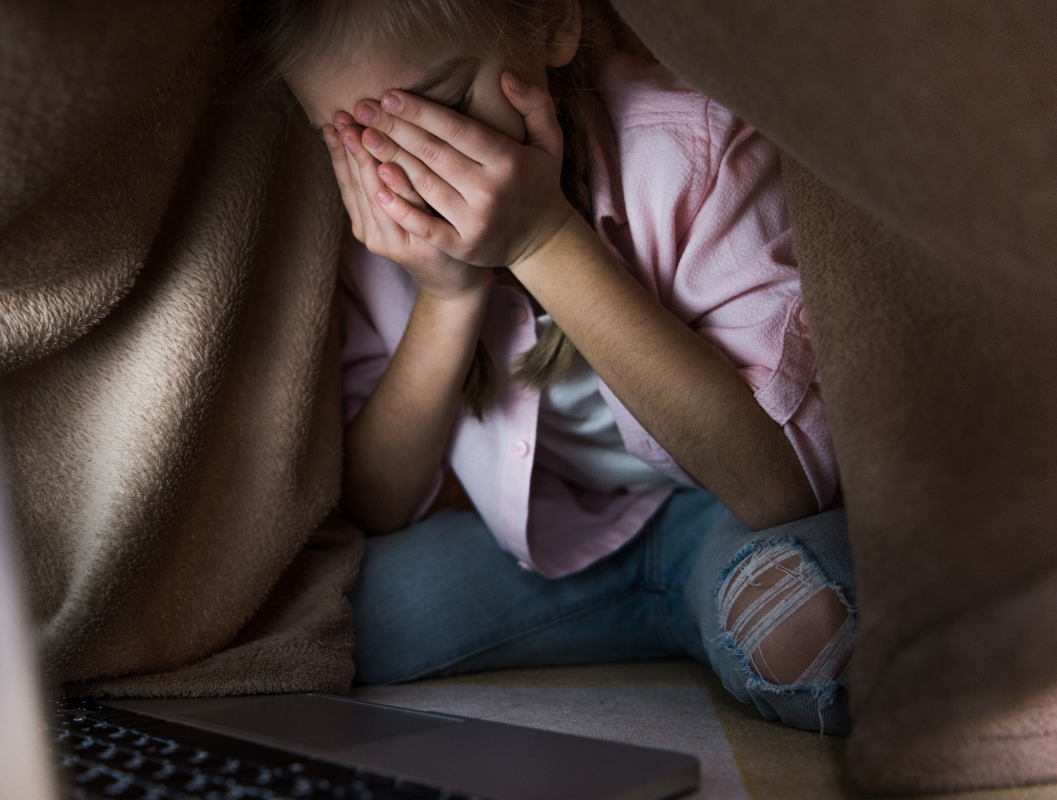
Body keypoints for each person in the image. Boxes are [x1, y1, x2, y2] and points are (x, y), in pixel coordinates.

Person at [243, 0, 856, 734]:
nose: (406, 175)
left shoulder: (695, 146)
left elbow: (786, 486)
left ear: (551, 23)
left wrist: (540, 239)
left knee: (809, 629)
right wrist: (448, 294)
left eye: (440, 108)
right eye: (359, 142)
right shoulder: (371, 225)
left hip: (729, 517)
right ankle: (671, 620)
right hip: (545, 543)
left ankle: (707, 607)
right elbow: (380, 505)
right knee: (312, 622)